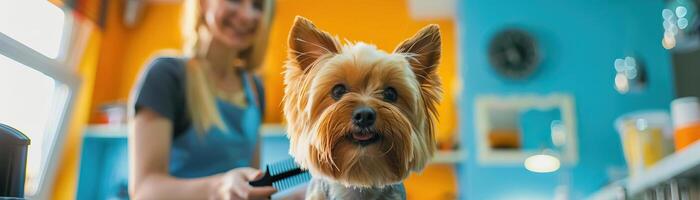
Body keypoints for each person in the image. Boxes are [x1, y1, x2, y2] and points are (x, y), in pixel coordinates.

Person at [127, 0, 276, 199]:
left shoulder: (255, 88)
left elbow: (252, 185)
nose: (247, 15)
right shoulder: (166, 76)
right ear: (203, 4)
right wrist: (220, 188)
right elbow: (144, 190)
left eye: (257, 6)